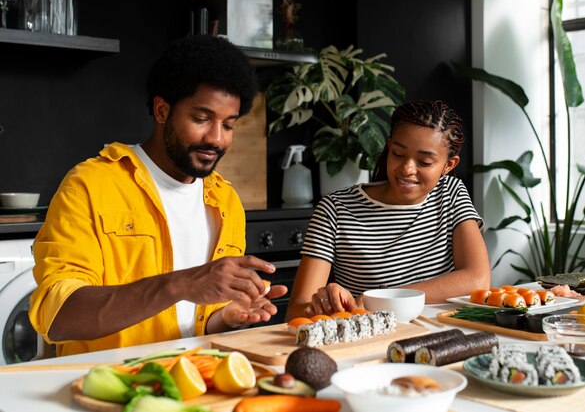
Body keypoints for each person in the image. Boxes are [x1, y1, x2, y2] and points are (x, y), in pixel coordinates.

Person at [28, 35, 287, 357]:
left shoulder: (225, 201)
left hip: (193, 381)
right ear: (162, 110)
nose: (217, 139)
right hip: (107, 388)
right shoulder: (90, 184)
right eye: (202, 119)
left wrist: (225, 318)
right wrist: (180, 284)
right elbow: (59, 318)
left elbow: (194, 323)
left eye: (229, 124)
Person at [285, 99, 490, 320]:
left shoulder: (451, 194)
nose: (407, 168)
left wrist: (386, 298)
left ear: (448, 165)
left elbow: (477, 279)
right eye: (398, 154)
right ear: (389, 147)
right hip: (371, 342)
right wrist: (327, 304)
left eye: (424, 162)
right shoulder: (335, 209)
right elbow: (296, 311)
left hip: (442, 338)